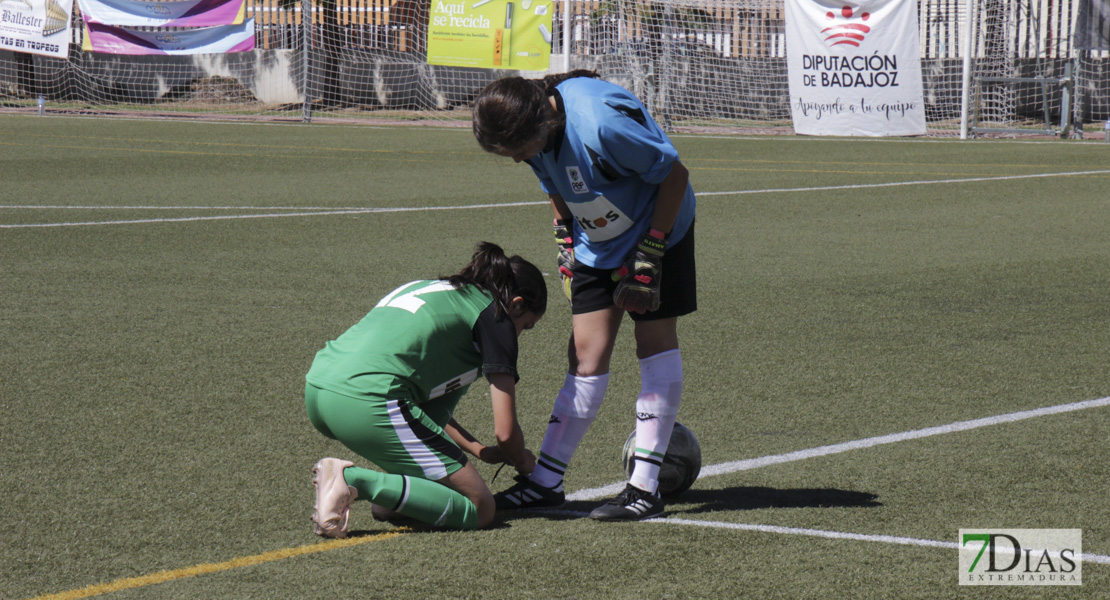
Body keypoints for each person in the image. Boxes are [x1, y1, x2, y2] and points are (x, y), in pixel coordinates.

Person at [472, 71, 697, 521]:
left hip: (661, 232)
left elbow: (674, 176)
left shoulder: (601, 124)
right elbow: (553, 183)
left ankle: (644, 487)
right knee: (584, 356)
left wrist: (650, 252)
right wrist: (564, 241)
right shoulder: (538, 129)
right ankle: (545, 482)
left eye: (517, 151)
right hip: (595, 242)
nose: (518, 161)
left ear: (540, 125)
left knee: (652, 345)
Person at [305, 242, 547, 534]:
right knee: (481, 509)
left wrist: (479, 451)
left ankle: (393, 497)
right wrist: (524, 463)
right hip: (367, 401)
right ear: (517, 304)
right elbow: (506, 433)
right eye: (527, 326)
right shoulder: (495, 317)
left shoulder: (436, 288)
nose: (520, 334)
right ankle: (355, 480)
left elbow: (432, 416)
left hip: (320, 387)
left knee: (445, 489)